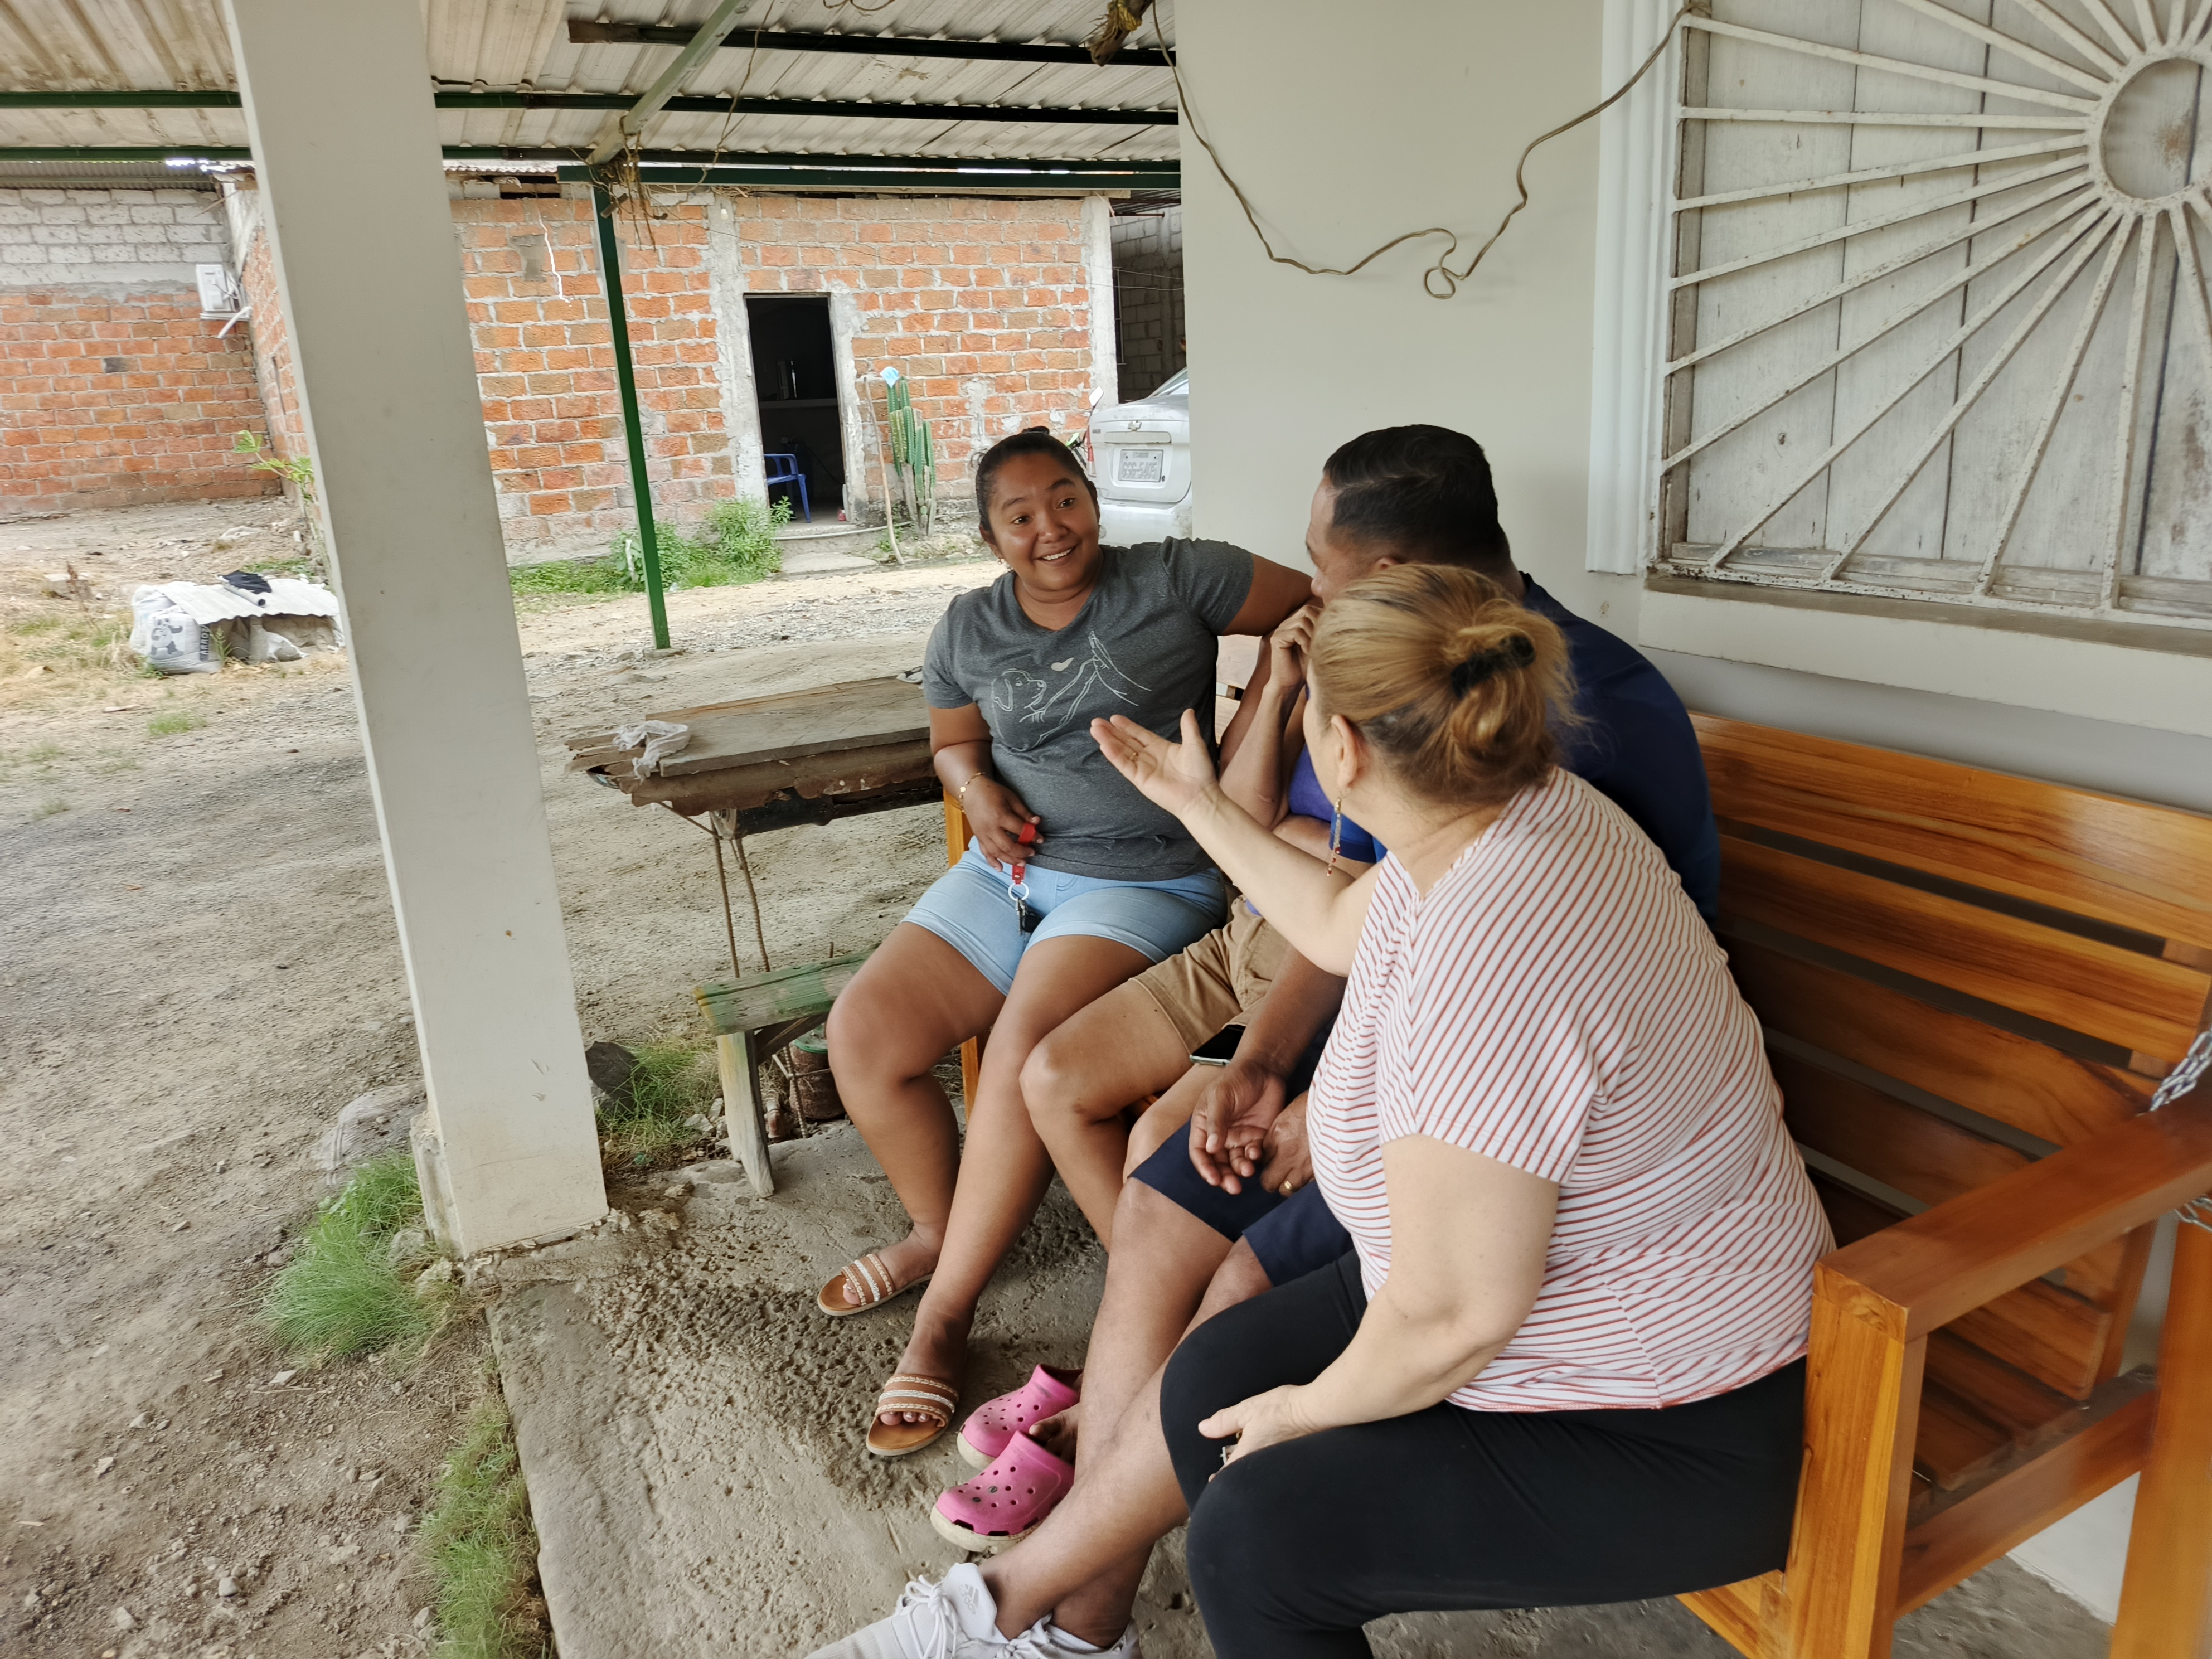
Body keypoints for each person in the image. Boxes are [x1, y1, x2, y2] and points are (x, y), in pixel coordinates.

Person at [811, 565, 1830, 1659]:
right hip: (1544, 1306)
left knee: (1258, 1535)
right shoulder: (1509, 816)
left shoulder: (1488, 960)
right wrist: (1198, 804)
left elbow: (1457, 1317)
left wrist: (1301, 1414)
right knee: (1206, 1380)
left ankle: (1016, 1618)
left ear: (1339, 749)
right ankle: (1006, 1614)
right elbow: (1341, 922)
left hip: (1673, 1416)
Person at [922, 426, 1722, 1552]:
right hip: (1393, 1027)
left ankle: (1095, 1505)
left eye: (1319, 563)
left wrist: (1327, 1101)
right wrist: (1260, 1058)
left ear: (1387, 575)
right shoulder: (1423, 673)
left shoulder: (1550, 713)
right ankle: (1105, 1464)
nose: (1309, 588)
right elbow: (1361, 916)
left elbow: (1516, 1006)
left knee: (1219, 1264)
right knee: (1158, 1177)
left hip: (1556, 1137)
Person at [820, 426, 1310, 1455]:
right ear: (990, 536)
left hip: (1144, 877)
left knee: (1019, 1048)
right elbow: (953, 741)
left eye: (1066, 499)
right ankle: (939, 1231)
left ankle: (945, 1314)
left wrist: (1256, 717)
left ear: (1093, 499)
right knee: (862, 1036)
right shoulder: (968, 627)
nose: (1051, 527)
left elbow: (1310, 604)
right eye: (1020, 514)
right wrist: (975, 789)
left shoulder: (1178, 576)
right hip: (1006, 872)